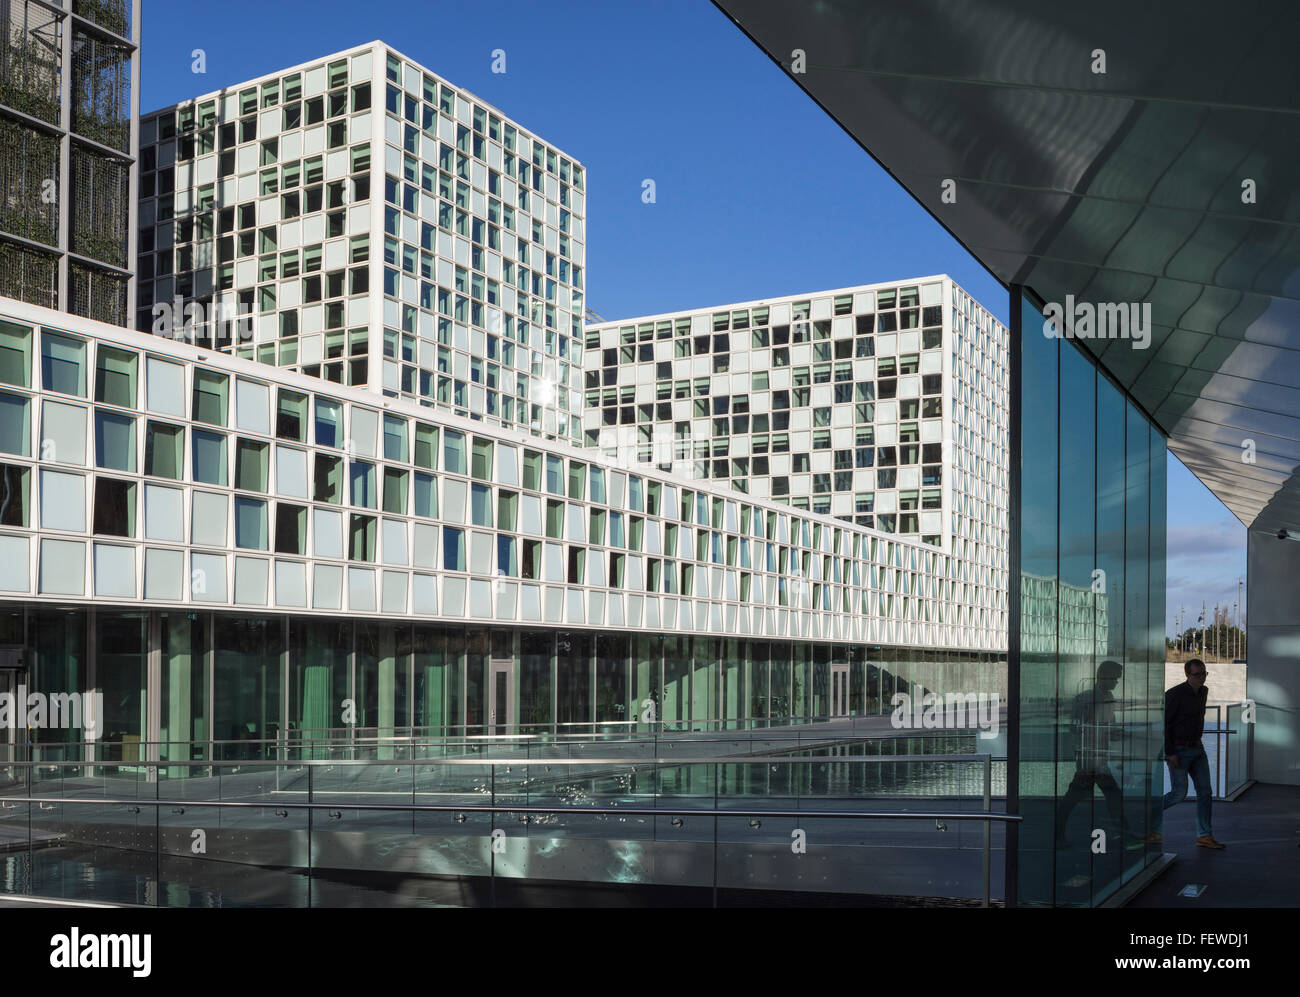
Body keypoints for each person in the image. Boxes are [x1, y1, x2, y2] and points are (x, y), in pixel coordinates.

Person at [1148, 659, 1224, 849]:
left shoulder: (1203, 692)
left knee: (1205, 792)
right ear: (1187, 675)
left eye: (1204, 673)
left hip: (1197, 749)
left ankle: (1204, 836)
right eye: (1197, 674)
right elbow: (1164, 724)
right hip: (1179, 750)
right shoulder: (1174, 695)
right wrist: (1170, 752)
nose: (1201, 678)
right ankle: (1147, 821)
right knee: (1178, 793)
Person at [1055, 660, 1126, 847]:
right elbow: (1077, 727)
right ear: (1104, 677)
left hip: (1097, 757)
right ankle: (1125, 834)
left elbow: (1108, 727)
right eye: (1115, 679)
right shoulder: (1087, 699)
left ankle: (1058, 834)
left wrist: (1115, 733)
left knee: (1079, 797)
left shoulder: (1107, 698)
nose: (1116, 683)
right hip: (1090, 758)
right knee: (1111, 795)